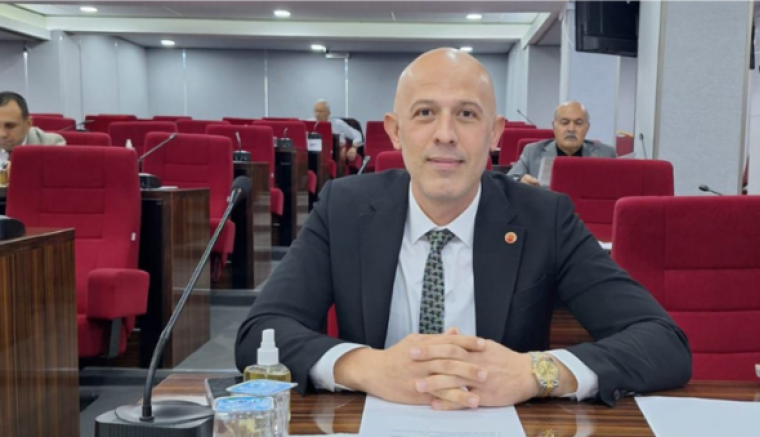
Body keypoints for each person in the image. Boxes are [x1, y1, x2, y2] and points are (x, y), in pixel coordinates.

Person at [236, 48, 690, 410]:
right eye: (425, 113)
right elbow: (260, 333)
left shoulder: (545, 218)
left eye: (467, 114)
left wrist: (535, 373)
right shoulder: (343, 207)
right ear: (395, 131)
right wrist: (365, 367)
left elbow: (662, 341)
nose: (446, 134)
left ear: (495, 133)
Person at [507, 101, 616, 186]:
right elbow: (508, 180)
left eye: (578, 123)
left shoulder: (606, 154)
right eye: (565, 123)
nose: (571, 129)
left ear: (587, 128)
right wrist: (520, 180)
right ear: (554, 126)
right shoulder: (533, 151)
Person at [0, 91, 65, 183]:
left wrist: (20, 172)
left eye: (10, 126)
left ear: (28, 123)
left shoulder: (52, 143)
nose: (2, 134)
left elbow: (59, 180)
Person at [313, 99, 365, 163]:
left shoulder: (338, 124)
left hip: (335, 156)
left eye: (321, 111)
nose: (317, 114)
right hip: (315, 156)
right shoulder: (310, 123)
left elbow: (357, 134)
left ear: (328, 113)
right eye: (316, 111)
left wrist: (353, 147)